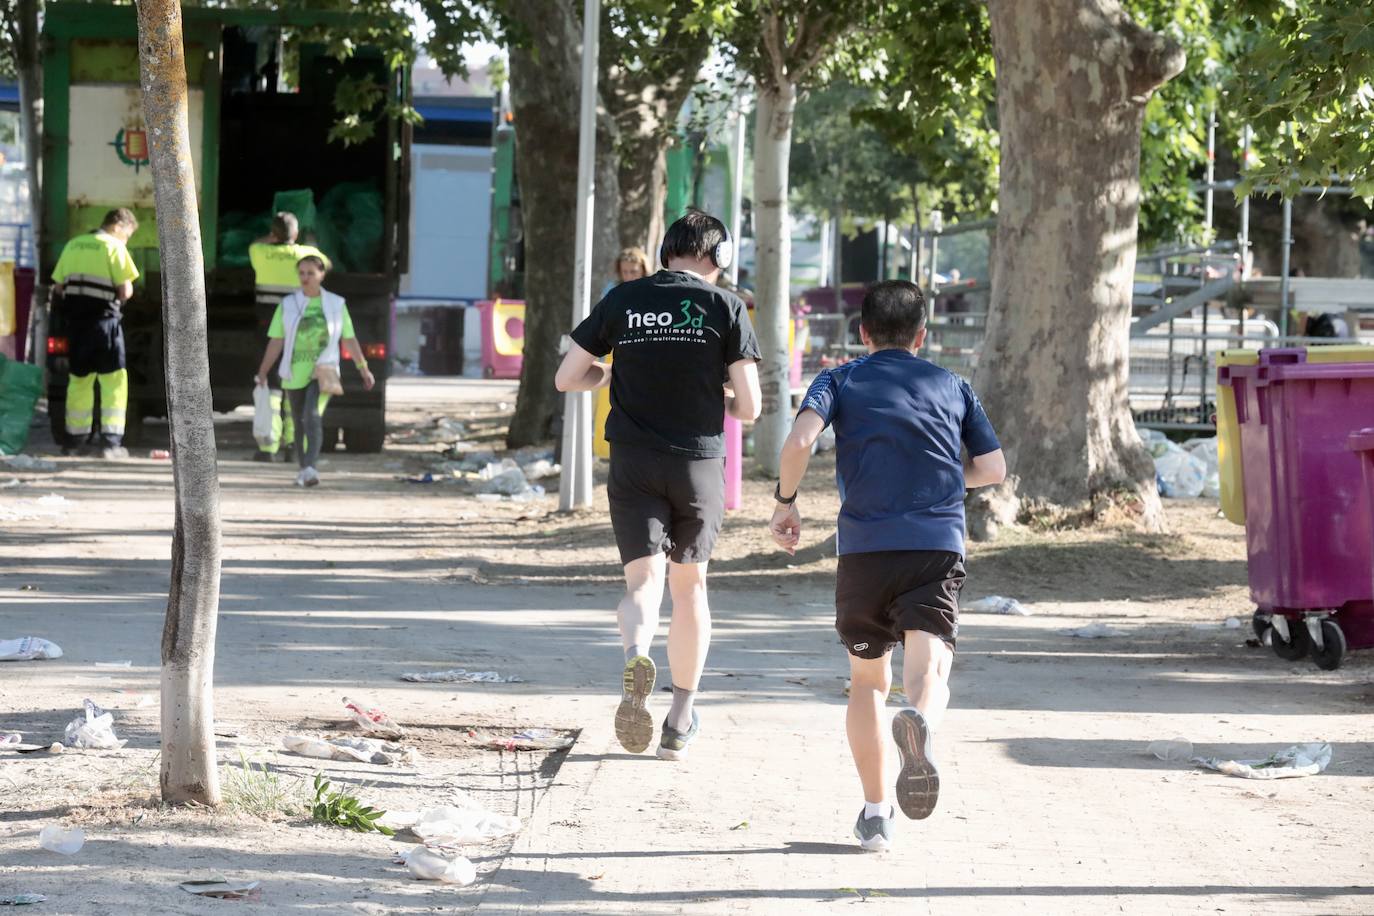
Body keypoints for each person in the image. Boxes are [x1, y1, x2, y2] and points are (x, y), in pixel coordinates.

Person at [768, 279, 1005, 852]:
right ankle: (919, 723)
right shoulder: (952, 385)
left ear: (863, 332)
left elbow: (800, 441)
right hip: (935, 545)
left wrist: (785, 502)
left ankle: (876, 815)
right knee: (929, 675)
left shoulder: (840, 378)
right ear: (922, 335)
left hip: (865, 551)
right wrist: (949, 480)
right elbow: (993, 468)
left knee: (868, 682)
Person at [555, 210, 762, 760]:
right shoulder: (727, 307)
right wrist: (710, 394)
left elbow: (567, 376)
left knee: (642, 584)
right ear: (718, 258)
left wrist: (610, 374)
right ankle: (679, 721)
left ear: (667, 251)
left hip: (633, 460)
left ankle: (634, 657)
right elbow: (751, 407)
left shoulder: (624, 299)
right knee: (690, 588)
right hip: (696, 463)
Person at [253, 255, 373, 487]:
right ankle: (303, 468)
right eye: (302, 273)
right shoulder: (288, 305)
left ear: (321, 275)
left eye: (310, 273)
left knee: (312, 415)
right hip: (294, 371)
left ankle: (311, 467)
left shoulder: (336, 304)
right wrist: (264, 370)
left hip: (323, 371)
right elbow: (276, 341)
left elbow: (349, 339)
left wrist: (363, 368)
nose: (305, 278)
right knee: (298, 421)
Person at [50, 208, 140, 459]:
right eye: (128, 235)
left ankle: (74, 442)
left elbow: (59, 286)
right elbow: (125, 290)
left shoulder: (73, 245)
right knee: (113, 380)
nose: (126, 241)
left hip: (76, 326)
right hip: (104, 325)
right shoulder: (113, 247)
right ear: (118, 226)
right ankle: (111, 443)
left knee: (79, 380)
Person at [248, 212, 331, 463]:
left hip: (268, 327)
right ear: (296, 234)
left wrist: (273, 238)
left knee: (271, 383)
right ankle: (294, 444)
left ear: (273, 234)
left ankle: (269, 447)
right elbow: (326, 266)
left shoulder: (259, 252)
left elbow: (256, 244)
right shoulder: (306, 256)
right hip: (298, 326)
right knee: (296, 381)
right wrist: (307, 244)